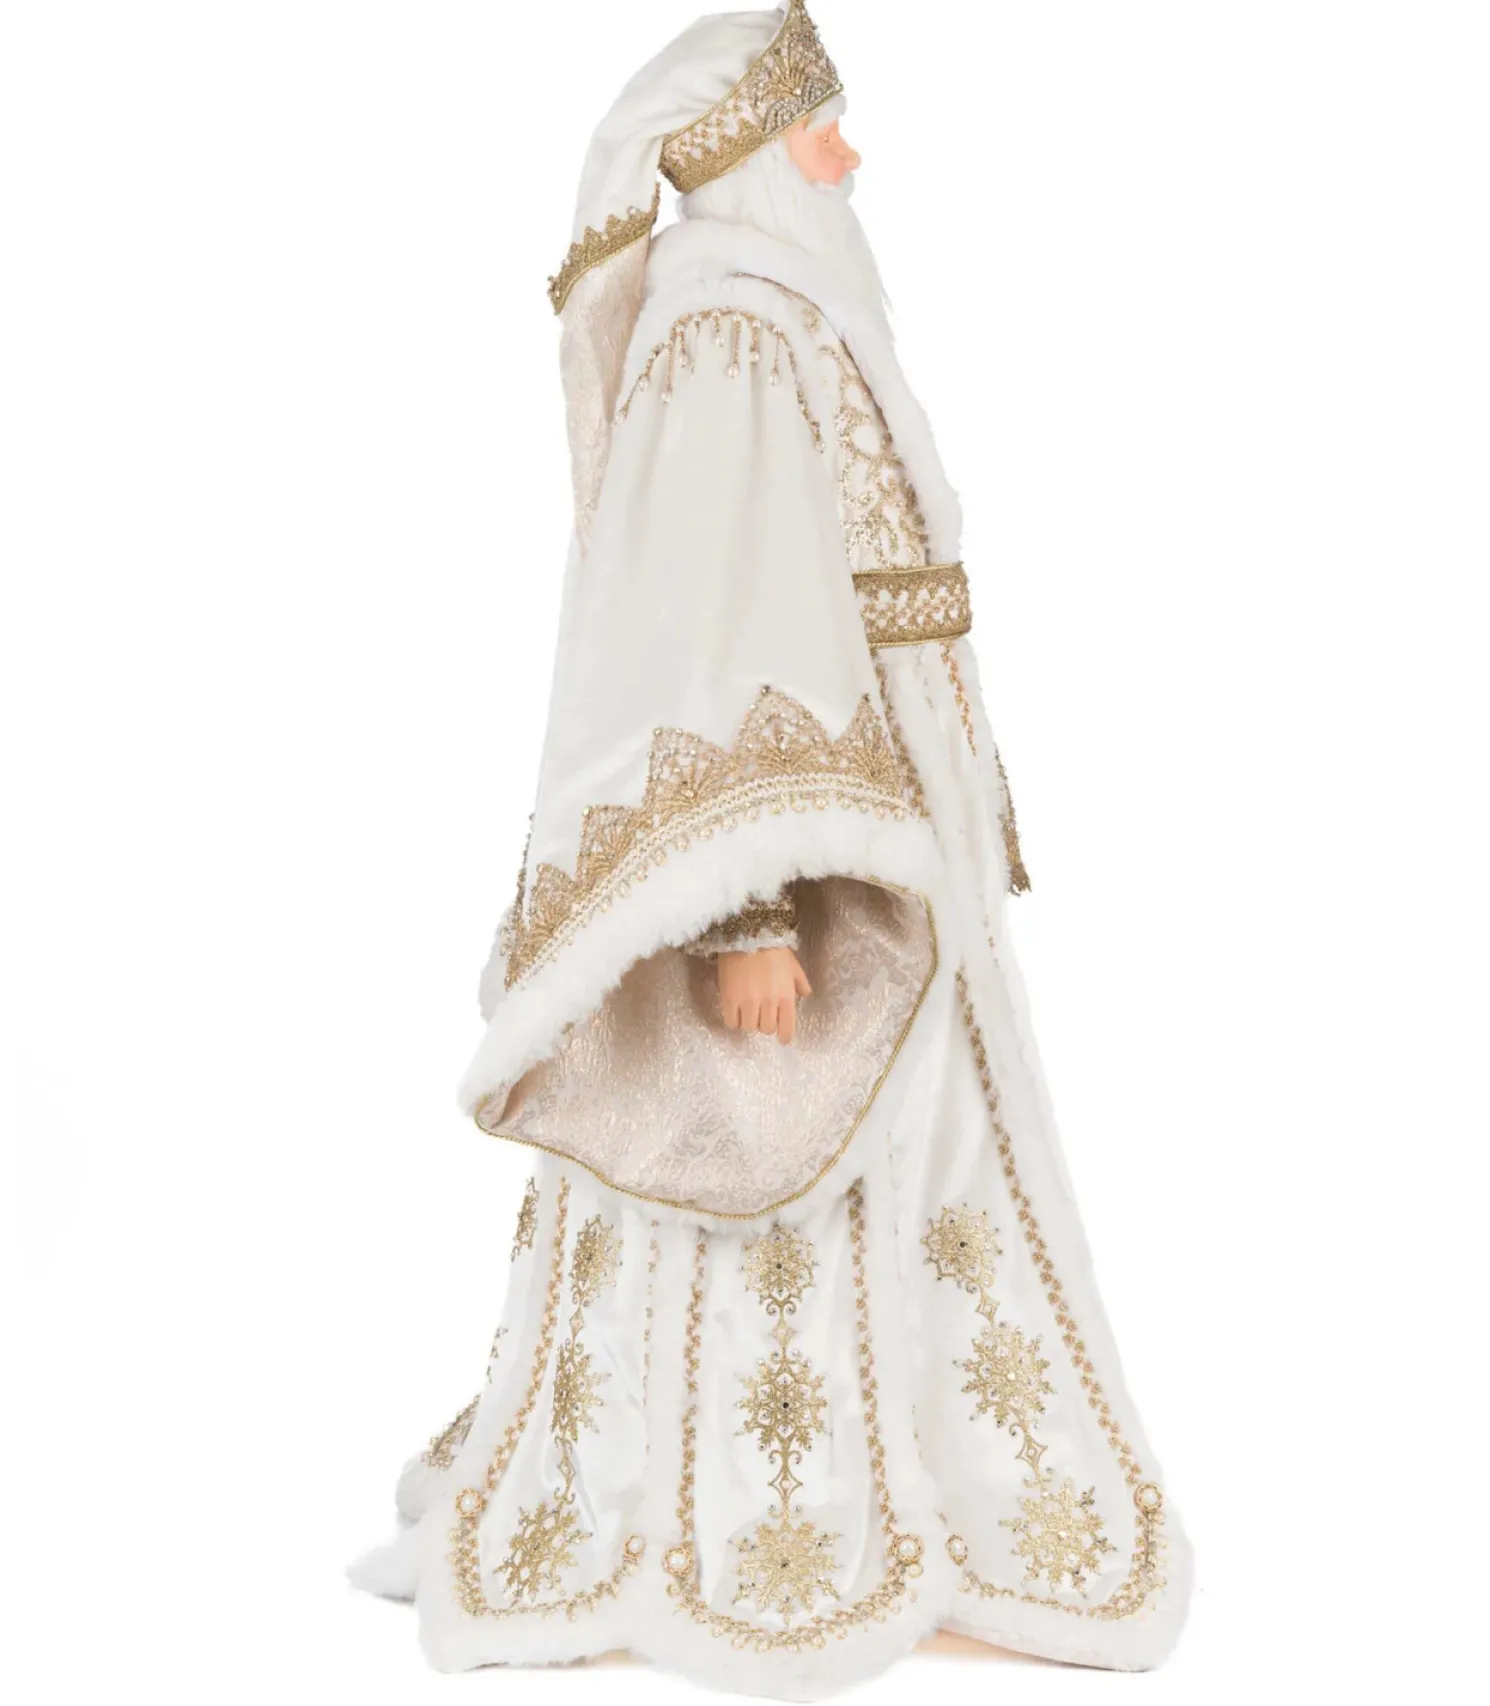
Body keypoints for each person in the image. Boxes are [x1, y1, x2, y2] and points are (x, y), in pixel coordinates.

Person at [351, 5, 1190, 1694]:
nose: (848, 158)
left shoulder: (783, 310)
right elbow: (704, 630)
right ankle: (747, 1516)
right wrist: (740, 904)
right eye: (822, 128)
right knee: (771, 1129)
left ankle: (930, 1477)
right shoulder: (726, 330)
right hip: (807, 838)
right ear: (747, 149)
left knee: (925, 1139)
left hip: (895, 794)